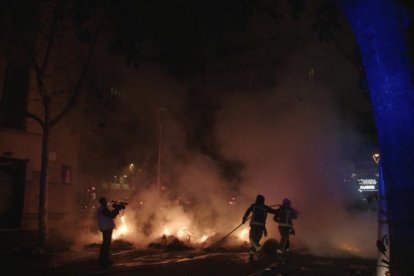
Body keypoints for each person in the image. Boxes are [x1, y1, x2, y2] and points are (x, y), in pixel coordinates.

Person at [242, 194, 277, 260]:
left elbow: (247, 211)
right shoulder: (265, 207)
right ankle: (251, 254)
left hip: (254, 225)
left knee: (252, 239)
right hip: (261, 226)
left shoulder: (254, 205)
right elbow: (273, 211)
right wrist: (280, 210)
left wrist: (244, 219)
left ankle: (260, 249)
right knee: (256, 240)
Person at [96, 197, 120, 266]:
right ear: (103, 202)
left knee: (105, 244)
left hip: (105, 228)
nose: (106, 203)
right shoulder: (103, 209)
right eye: (105, 201)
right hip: (107, 228)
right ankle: (104, 261)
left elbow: (109, 215)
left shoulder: (100, 209)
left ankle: (103, 259)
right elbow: (111, 215)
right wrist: (116, 210)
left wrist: (115, 210)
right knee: (106, 244)